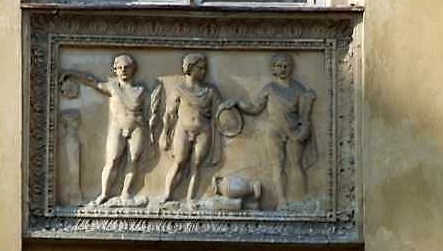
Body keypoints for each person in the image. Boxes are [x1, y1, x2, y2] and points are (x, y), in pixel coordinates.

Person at [227, 52, 317, 208]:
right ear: (273, 69)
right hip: (273, 130)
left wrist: (304, 126)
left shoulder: (298, 89)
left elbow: (304, 113)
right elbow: (255, 108)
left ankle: (301, 200)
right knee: (277, 165)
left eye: (286, 66)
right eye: (279, 66)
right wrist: (238, 104)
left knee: (296, 164)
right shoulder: (270, 88)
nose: (283, 69)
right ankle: (282, 201)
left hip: (294, 130)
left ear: (291, 68)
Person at [71, 55, 149, 205]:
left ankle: (126, 193)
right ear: (115, 70)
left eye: (126, 67)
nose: (123, 70)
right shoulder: (112, 87)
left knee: (133, 159)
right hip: (117, 126)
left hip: (137, 127)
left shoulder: (141, 90)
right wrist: (73, 74)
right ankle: (105, 194)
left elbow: (151, 111)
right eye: (120, 68)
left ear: (133, 69)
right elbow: (93, 82)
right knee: (112, 159)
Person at [159, 53, 222, 202]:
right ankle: (167, 194)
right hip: (183, 130)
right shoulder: (179, 90)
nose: (203, 71)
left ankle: (190, 198)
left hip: (203, 131)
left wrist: (231, 107)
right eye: (200, 68)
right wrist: (165, 133)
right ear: (189, 68)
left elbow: (220, 111)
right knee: (179, 161)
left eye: (204, 68)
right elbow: (170, 114)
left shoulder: (210, 90)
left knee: (196, 164)